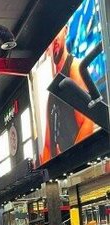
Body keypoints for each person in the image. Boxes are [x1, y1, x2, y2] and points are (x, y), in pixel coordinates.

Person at [40, 25, 96, 164]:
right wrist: (48, 173)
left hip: (79, 167)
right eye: (51, 36)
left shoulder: (74, 69)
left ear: (65, 30)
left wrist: (70, 165)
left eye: (57, 31)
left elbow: (87, 123)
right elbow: (47, 146)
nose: (55, 39)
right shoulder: (53, 92)